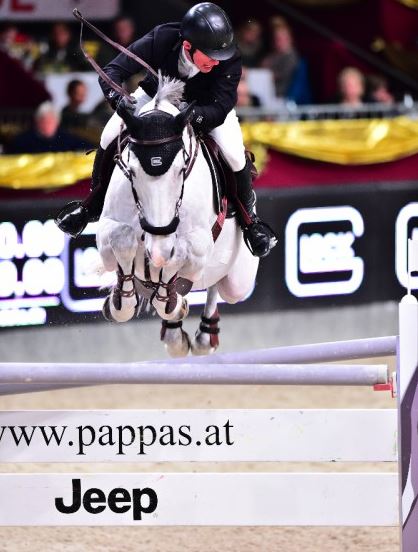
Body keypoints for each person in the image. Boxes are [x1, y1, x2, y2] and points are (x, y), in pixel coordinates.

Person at [56, 2, 277, 258]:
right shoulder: (163, 37)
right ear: (187, 46)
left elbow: (223, 105)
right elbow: (113, 70)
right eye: (210, 56)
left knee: (235, 154)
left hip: (206, 108)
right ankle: (91, 205)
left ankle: (251, 222)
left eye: (220, 57)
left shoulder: (228, 57)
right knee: (109, 133)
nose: (217, 63)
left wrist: (195, 116)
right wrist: (119, 101)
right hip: (155, 96)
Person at [8, 101, 90, 154]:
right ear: (37, 122)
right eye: (43, 121)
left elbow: (88, 149)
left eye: (51, 121)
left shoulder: (67, 139)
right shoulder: (23, 141)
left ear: (57, 122)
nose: (47, 124)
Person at [262, 17, 299, 99]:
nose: (278, 42)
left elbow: (284, 74)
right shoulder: (272, 55)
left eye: (280, 39)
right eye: (276, 39)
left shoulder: (291, 55)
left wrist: (268, 74)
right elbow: (263, 66)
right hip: (268, 92)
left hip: (283, 95)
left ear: (288, 39)